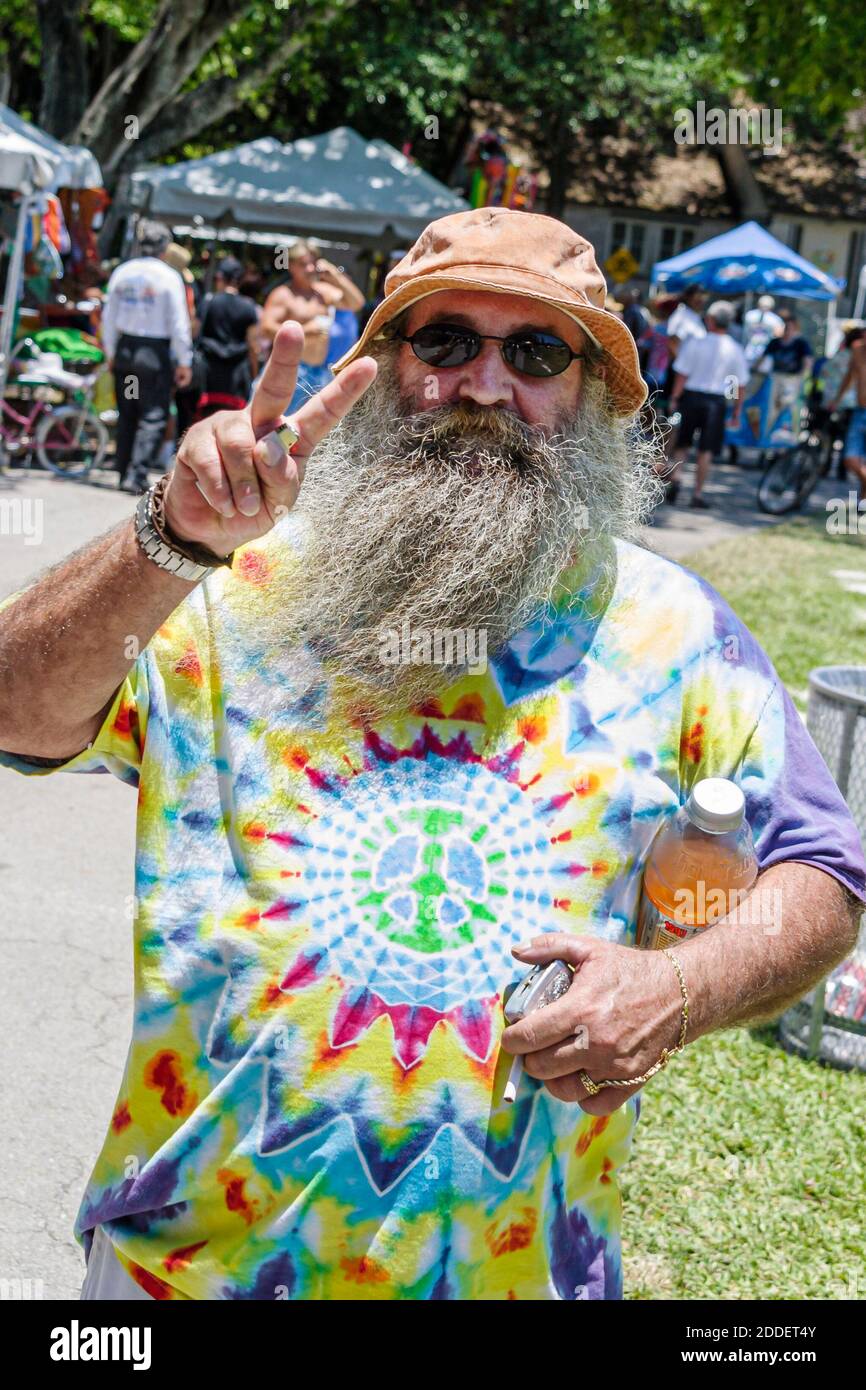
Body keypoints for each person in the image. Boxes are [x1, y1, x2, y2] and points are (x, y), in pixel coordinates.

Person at [1, 208, 863, 1304]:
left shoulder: (675, 632)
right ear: (380, 366)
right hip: (179, 1277)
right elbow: (17, 711)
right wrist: (169, 537)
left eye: (536, 351)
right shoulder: (232, 586)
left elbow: (823, 875)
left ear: (595, 393)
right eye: (444, 341)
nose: (483, 384)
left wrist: (679, 986)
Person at [101, 220, 193, 493]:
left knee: (128, 410)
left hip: (127, 351)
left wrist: (111, 351)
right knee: (152, 414)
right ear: (165, 248)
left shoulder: (123, 272)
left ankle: (123, 469)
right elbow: (179, 322)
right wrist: (184, 359)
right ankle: (136, 473)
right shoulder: (169, 277)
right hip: (153, 354)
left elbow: (109, 317)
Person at [665, 299, 750, 508]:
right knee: (707, 450)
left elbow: (682, 374)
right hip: (716, 401)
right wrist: (737, 410)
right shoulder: (735, 349)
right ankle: (698, 493)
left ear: (710, 320)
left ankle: (676, 478)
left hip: (692, 397)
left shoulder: (696, 342)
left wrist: (675, 398)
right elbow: (739, 384)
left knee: (682, 444)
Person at [260, 241, 364, 411]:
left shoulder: (323, 293)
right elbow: (266, 329)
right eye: (303, 264)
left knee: (312, 432)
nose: (309, 269)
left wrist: (334, 275)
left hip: (320, 374)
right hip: (291, 372)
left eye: (313, 263)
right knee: (279, 428)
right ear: (292, 266)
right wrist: (304, 330)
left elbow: (356, 303)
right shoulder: (284, 295)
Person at [196, 257, 260, 419]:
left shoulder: (209, 302)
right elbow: (253, 346)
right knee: (232, 422)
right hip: (236, 377)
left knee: (202, 422)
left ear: (219, 278)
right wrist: (254, 373)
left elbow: (194, 332)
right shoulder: (249, 307)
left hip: (208, 374)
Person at [828, 332, 866, 500]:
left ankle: (862, 502)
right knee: (850, 459)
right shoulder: (857, 350)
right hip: (860, 411)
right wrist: (837, 399)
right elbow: (849, 376)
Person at [765, 310, 813, 427]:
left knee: (787, 404)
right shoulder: (775, 342)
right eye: (785, 327)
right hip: (775, 377)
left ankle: (784, 433)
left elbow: (808, 360)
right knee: (772, 407)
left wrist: (803, 376)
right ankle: (770, 433)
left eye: (790, 327)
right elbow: (763, 358)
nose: (787, 330)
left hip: (792, 378)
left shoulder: (801, 343)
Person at [742, 293, 784, 367]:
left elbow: (779, 335)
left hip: (765, 350)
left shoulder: (775, 319)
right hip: (751, 348)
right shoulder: (751, 315)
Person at [665, 283, 706, 358]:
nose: (701, 300)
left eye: (703, 297)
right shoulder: (681, 315)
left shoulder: (695, 315)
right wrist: (681, 367)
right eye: (698, 297)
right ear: (688, 297)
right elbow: (672, 344)